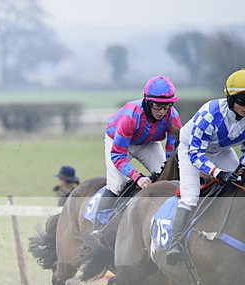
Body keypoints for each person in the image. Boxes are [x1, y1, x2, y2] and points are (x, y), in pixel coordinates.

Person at [165, 68, 245, 265]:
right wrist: (218, 173)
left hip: (222, 150)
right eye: (243, 100)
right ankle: (174, 244)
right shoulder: (211, 113)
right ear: (230, 98)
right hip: (191, 149)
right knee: (190, 196)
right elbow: (196, 154)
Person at [93, 76, 182, 232]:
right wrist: (137, 177)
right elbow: (118, 155)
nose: (162, 112)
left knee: (169, 179)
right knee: (117, 184)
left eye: (167, 106)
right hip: (119, 144)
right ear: (147, 102)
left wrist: (168, 168)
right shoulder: (131, 116)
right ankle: (98, 229)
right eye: (158, 106)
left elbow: (173, 148)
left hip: (148, 143)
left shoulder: (172, 115)